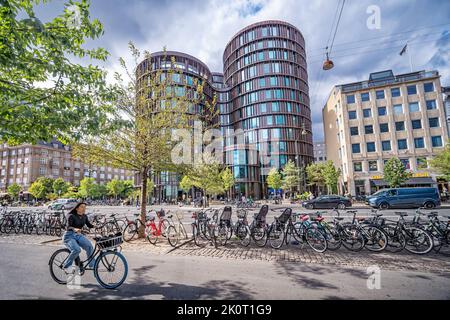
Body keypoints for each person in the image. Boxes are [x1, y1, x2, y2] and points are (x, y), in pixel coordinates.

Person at [63, 202, 96, 274]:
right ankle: (66, 265)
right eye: (82, 207)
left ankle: (93, 265)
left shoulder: (84, 216)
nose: (84, 208)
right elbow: (67, 227)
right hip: (69, 236)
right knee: (76, 250)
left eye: (85, 207)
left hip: (78, 235)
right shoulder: (71, 216)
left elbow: (89, 225)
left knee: (89, 246)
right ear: (77, 208)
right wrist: (74, 229)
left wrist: (96, 226)